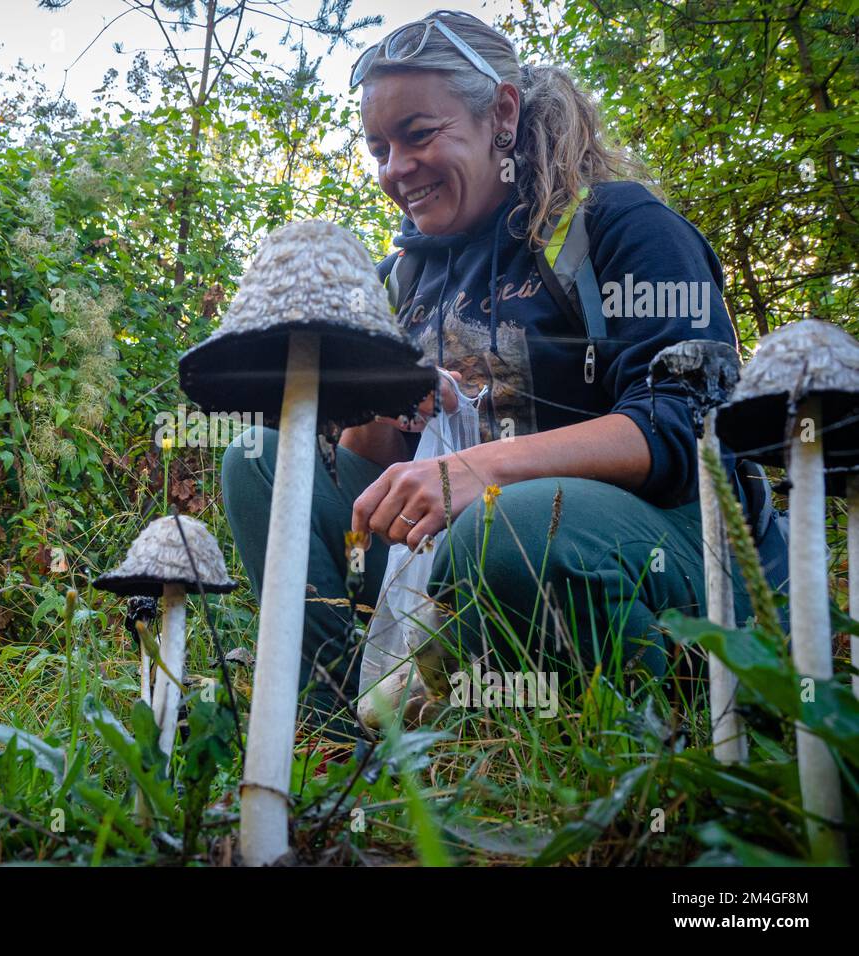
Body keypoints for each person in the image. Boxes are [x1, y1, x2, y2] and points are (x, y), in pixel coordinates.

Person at [221, 10, 785, 734]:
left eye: (419, 134)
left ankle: (677, 729)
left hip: (657, 547)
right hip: (451, 560)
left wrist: (480, 470)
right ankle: (325, 747)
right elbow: (375, 471)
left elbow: (691, 427)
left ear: (503, 114)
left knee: (503, 524)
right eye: (379, 148)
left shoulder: (619, 228)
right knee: (259, 457)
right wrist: (389, 411)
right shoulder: (403, 276)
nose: (396, 169)